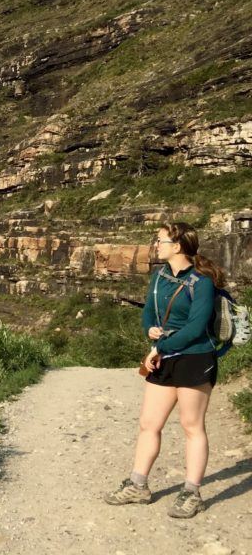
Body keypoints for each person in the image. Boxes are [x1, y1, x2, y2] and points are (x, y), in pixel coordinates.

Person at [104, 221, 224, 519]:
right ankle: (137, 485)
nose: (156, 245)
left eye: (160, 240)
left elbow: (196, 328)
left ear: (178, 246)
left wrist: (159, 349)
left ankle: (192, 492)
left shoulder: (202, 281)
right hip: (166, 354)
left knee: (191, 426)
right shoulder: (159, 277)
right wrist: (151, 331)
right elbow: (148, 313)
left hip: (195, 357)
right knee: (149, 423)